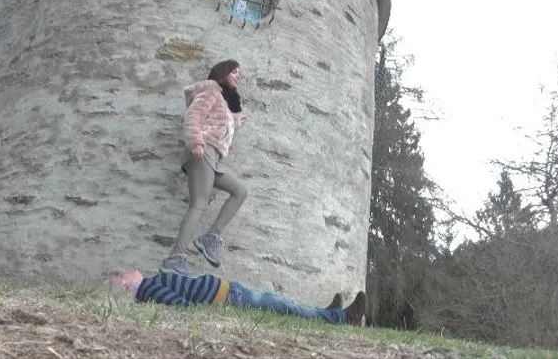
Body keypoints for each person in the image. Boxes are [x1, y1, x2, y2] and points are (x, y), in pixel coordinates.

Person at [161, 60, 249, 276]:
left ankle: (211, 237)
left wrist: (236, 121)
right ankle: (175, 258)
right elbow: (193, 116)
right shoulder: (210, 90)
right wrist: (196, 142)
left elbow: (219, 123)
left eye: (240, 73)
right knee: (198, 204)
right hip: (202, 152)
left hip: (215, 158)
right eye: (234, 72)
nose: (238, 76)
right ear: (223, 72)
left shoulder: (223, 99)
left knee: (240, 191)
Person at [109, 270, 367, 326]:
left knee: (281, 302)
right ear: (127, 286)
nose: (125, 271)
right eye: (121, 276)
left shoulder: (152, 281)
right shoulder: (148, 289)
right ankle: (341, 317)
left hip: (229, 290)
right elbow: (180, 305)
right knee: (282, 305)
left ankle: (326, 312)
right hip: (228, 298)